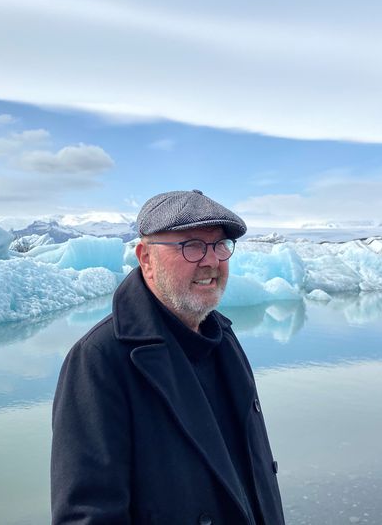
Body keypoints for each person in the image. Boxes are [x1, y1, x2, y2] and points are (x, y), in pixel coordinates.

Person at [51, 190, 285, 524]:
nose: (211, 260)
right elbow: (88, 516)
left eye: (219, 245)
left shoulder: (223, 337)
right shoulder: (100, 360)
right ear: (145, 257)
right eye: (191, 245)